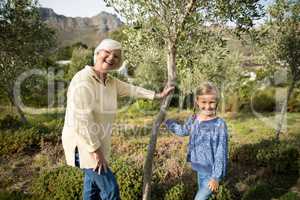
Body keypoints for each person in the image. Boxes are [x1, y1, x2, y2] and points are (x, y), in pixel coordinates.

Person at [62, 38, 174, 200]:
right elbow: (82, 119)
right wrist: (95, 151)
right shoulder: (82, 80)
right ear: (97, 53)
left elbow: (133, 90)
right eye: (107, 53)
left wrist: (158, 95)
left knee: (92, 189)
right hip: (83, 144)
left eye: (116, 56)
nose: (111, 58)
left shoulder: (110, 81)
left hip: (97, 143)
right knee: (111, 190)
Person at [164, 82, 228, 200]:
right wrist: (169, 122)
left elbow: (221, 151)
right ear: (197, 102)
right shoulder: (194, 119)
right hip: (200, 168)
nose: (207, 106)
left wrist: (215, 177)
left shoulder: (219, 124)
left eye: (211, 102)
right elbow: (183, 130)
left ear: (217, 102)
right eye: (204, 102)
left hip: (212, 172)